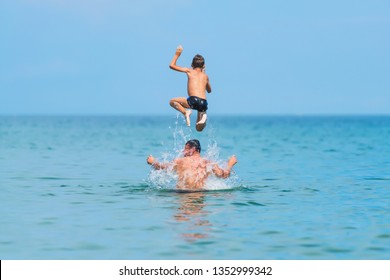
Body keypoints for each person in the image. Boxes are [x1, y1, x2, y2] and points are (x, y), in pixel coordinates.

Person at [147, 139, 237, 191]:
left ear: (193, 149)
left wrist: (153, 161)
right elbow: (224, 175)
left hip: (181, 194)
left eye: (185, 149)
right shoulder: (209, 163)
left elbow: (162, 168)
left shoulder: (180, 161)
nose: (183, 152)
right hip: (199, 194)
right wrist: (230, 163)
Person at [169, 45, 212, 132]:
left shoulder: (189, 71)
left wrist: (178, 54)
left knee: (172, 101)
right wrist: (204, 75)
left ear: (192, 64)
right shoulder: (205, 76)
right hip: (204, 103)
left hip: (193, 100)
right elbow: (209, 90)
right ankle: (204, 118)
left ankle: (186, 112)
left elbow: (171, 65)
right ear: (204, 66)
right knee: (198, 128)